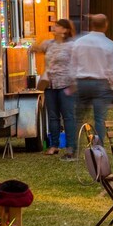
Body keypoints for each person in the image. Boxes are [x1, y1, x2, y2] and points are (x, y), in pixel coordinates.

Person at [30, 19, 76, 158]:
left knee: (68, 116)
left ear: (65, 30)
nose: (54, 27)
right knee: (53, 116)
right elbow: (35, 49)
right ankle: (54, 145)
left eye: (57, 26)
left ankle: (70, 147)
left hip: (66, 84)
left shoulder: (72, 46)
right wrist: (33, 44)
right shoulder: (48, 44)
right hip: (50, 84)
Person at [72, 14, 113, 146]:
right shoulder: (110, 44)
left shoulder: (79, 42)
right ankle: (98, 147)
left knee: (78, 118)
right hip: (101, 83)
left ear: (91, 25)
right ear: (106, 25)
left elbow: (72, 64)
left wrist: (73, 82)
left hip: (82, 82)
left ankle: (73, 149)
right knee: (99, 118)